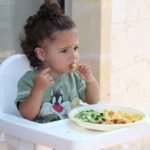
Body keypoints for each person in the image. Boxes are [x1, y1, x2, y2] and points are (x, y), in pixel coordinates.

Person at [16, 0, 100, 123]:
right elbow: (27, 115)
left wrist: (90, 81)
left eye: (75, 48)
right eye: (64, 51)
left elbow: (93, 101)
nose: (74, 56)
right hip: (45, 137)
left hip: (71, 132)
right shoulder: (30, 80)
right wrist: (38, 89)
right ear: (41, 54)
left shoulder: (74, 76)